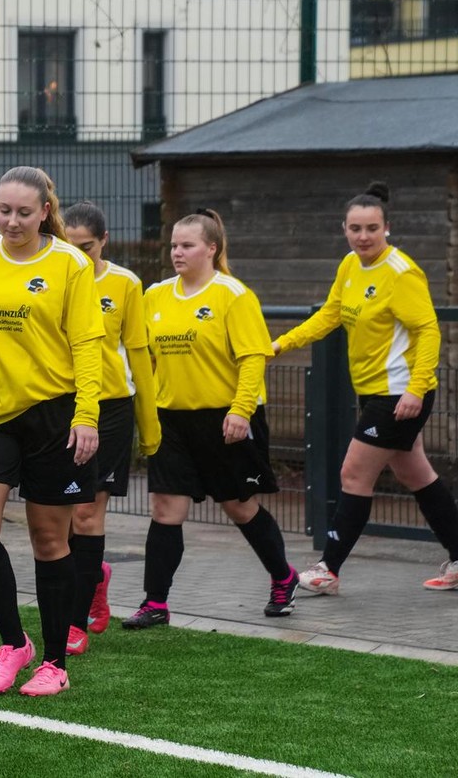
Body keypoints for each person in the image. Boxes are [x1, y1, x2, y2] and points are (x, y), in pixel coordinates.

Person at [0, 166, 103, 698]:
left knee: (50, 539)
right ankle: (13, 642)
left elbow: (86, 346)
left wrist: (87, 416)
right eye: (3, 210)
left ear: (45, 212)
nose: (11, 221)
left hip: (54, 416)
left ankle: (53, 662)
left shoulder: (70, 264)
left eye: (23, 212)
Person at [272, 183, 458, 594]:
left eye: (372, 228)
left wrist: (415, 388)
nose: (363, 236)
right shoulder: (350, 266)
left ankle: (328, 570)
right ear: (344, 228)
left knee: (353, 473)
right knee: (417, 474)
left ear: (386, 228)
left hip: (399, 394)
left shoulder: (402, 273)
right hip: (376, 392)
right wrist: (282, 344)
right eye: (355, 228)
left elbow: (428, 331)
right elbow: (330, 315)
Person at [124, 209, 296, 631]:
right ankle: (155, 602)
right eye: (174, 245)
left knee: (239, 506)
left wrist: (241, 411)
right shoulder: (155, 296)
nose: (177, 252)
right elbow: (143, 357)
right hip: (171, 421)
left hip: (226, 419)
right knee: (165, 508)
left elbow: (254, 356)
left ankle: (283, 577)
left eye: (187, 245)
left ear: (212, 249)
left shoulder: (233, 295)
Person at [60, 202, 160, 654]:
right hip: (59, 404)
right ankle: (94, 576)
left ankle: (74, 623)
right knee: (58, 518)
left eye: (86, 247)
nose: (78, 255)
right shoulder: (51, 274)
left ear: (104, 241)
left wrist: (150, 424)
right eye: (69, 246)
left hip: (111, 409)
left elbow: (138, 352)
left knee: (86, 514)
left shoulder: (125, 284)